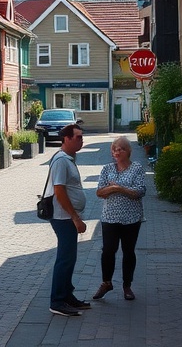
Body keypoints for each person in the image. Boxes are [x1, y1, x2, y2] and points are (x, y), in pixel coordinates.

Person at [92, 137, 146, 301]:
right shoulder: (107, 169)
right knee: (108, 250)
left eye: (120, 149)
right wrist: (115, 189)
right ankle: (106, 282)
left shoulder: (136, 168)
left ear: (128, 151)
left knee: (128, 251)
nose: (117, 152)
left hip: (131, 217)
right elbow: (99, 192)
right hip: (110, 217)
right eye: (114, 150)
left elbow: (139, 191)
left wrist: (117, 188)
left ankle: (127, 285)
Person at [47, 124, 89, 317]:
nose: (82, 140)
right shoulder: (61, 161)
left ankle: (66, 295)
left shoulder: (69, 159)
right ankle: (57, 301)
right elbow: (59, 190)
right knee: (65, 259)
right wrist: (74, 217)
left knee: (69, 258)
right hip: (63, 217)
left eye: (82, 137)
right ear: (67, 139)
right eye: (78, 137)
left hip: (68, 217)